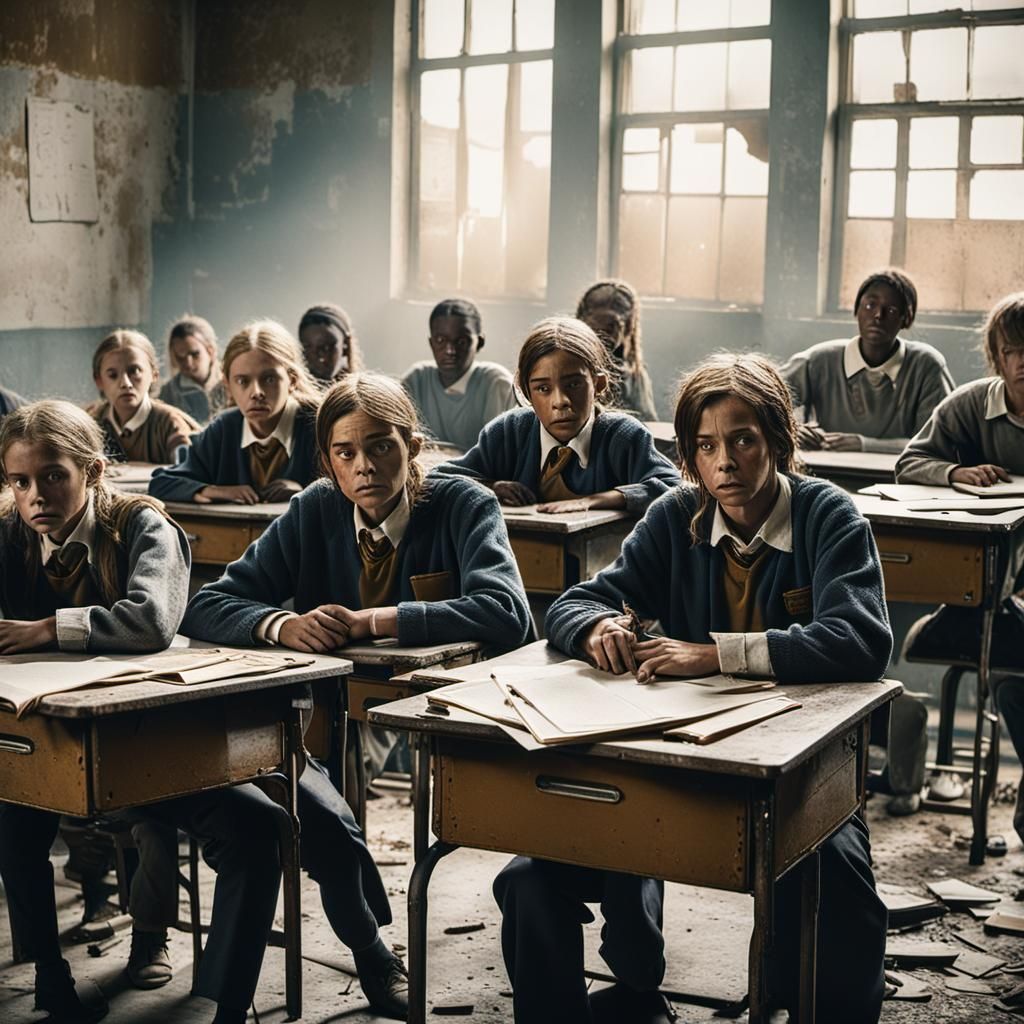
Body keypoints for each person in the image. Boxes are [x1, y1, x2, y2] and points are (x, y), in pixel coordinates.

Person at [494, 353, 890, 1024]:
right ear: (688, 457)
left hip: (798, 771)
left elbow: (861, 639)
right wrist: (596, 628)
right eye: (705, 446)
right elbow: (575, 604)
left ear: (779, 441)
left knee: (839, 884)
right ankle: (609, 981)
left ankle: (808, 999)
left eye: (743, 440)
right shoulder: (677, 515)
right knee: (528, 881)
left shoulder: (829, 515)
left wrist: (714, 655)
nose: (726, 462)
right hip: (676, 761)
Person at [177, 372, 533, 1018]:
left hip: (447, 699)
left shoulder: (460, 502)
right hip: (330, 700)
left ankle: (379, 947)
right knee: (322, 814)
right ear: (327, 462)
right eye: (345, 453)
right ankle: (373, 951)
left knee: (413, 819)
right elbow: (208, 604)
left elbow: (507, 611)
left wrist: (380, 620)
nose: (364, 467)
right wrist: (282, 623)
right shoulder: (316, 507)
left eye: (382, 447)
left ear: (413, 446)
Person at [0, 400, 284, 1024]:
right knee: (15, 824)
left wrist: (48, 629)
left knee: (259, 830)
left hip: (149, 741)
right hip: (45, 739)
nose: (35, 495)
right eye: (19, 481)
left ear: (93, 470)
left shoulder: (143, 526)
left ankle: (226, 1003)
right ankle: (50, 977)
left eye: (53, 475)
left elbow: (153, 621)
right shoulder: (8, 532)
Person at [898, 292, 1024, 837]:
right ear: (997, 357)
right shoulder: (973, 404)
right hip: (991, 589)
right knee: (1010, 664)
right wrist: (954, 474)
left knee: (1012, 666)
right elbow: (911, 462)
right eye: (1013, 350)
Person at [434, 316, 679, 514]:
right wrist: (490, 487)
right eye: (543, 389)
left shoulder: (621, 436)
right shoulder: (510, 432)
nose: (560, 401)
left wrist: (599, 499)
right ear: (526, 392)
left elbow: (675, 489)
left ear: (598, 384)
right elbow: (438, 480)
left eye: (573, 385)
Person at [149, 319, 320, 504]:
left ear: (292, 381)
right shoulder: (224, 429)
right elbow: (161, 483)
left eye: (269, 379)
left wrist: (306, 490)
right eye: (242, 381)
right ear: (228, 386)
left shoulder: (320, 426)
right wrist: (212, 491)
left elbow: (350, 488)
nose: (256, 393)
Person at [782, 268, 953, 452]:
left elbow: (937, 442)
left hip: (896, 477)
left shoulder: (927, 366)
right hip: (826, 472)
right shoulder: (818, 361)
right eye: (870, 305)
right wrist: (790, 431)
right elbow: (759, 402)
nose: (878, 315)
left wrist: (864, 444)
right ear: (856, 310)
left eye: (892, 310)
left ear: (907, 319)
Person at [401, 297, 516, 450]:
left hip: (479, 474)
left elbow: (503, 452)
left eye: (461, 341)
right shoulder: (416, 380)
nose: (450, 351)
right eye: (441, 340)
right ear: (431, 343)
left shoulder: (497, 384)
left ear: (479, 343)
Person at [89, 330, 199, 464]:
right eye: (113, 375)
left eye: (134, 371)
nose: (126, 384)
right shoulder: (92, 423)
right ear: (99, 380)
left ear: (154, 374)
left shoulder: (169, 423)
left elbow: (186, 467)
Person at [576, 279, 658, 421]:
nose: (604, 336)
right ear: (584, 322)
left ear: (625, 329)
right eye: (597, 329)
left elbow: (648, 421)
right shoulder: (568, 364)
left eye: (610, 327)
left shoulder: (633, 374)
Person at [158, 314, 227, 423]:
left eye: (195, 354)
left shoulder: (231, 382)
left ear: (210, 351)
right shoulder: (168, 393)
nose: (188, 363)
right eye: (180, 357)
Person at [298, 303, 363, 383]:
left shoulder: (362, 392)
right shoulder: (291, 390)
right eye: (307, 347)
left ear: (345, 344)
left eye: (326, 346)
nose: (318, 355)